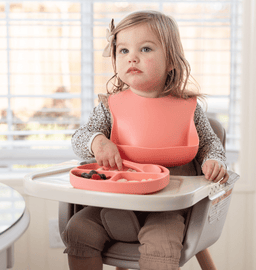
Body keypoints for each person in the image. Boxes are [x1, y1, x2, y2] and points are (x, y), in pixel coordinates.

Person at [62, 10, 229, 270]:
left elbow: (209, 142)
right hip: (115, 203)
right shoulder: (109, 107)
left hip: (167, 209)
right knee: (78, 229)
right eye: (124, 51)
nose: (133, 58)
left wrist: (214, 160)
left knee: (161, 246)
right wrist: (98, 142)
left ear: (171, 61)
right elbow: (79, 137)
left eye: (146, 49)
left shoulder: (189, 108)